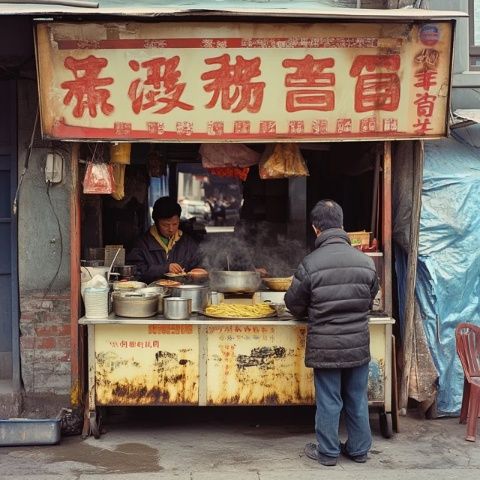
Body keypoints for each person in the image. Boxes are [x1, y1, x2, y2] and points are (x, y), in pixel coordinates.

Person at [284, 199, 379, 467]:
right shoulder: (365, 262)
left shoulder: (310, 264)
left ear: (316, 229)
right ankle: (359, 450)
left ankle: (327, 453)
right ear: (342, 224)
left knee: (329, 399)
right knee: (357, 397)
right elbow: (369, 298)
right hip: (357, 343)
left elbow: (294, 304)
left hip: (325, 344)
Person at [127, 196, 207, 284]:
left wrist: (200, 271)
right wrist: (164, 268)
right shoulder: (142, 244)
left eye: (175, 224)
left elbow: (200, 263)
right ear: (156, 221)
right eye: (165, 225)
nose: (171, 229)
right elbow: (135, 271)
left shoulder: (187, 243)